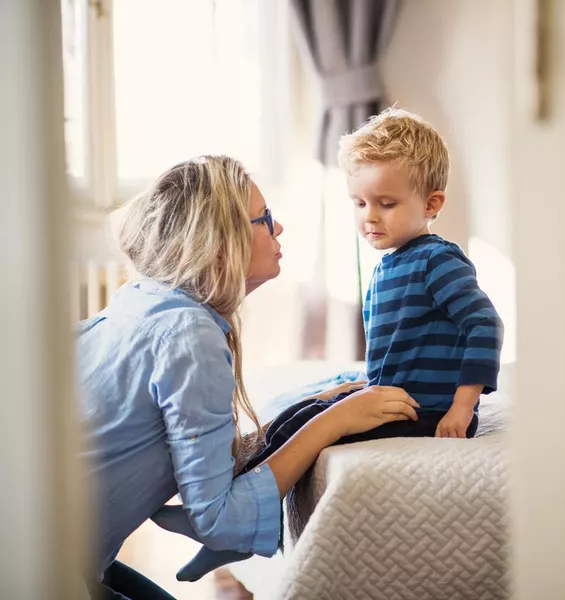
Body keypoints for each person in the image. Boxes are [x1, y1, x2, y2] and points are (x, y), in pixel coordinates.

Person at [161, 108, 504, 581]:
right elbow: (406, 341)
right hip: (398, 396)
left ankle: (231, 532)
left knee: (313, 431)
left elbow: (484, 325)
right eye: (359, 203)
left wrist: (462, 407)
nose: (369, 217)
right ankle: (226, 511)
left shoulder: (438, 261)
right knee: (297, 415)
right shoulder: (392, 263)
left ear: (431, 203)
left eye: (386, 203)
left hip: (426, 411)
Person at [75, 155, 420, 600]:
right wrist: (336, 421)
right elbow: (217, 517)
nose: (279, 230)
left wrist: (316, 406)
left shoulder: (141, 299)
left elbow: (203, 452)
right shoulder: (190, 334)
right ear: (219, 243)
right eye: (265, 219)